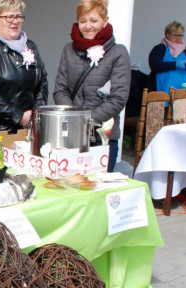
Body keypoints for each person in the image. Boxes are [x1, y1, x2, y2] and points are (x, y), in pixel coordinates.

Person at [53, 0, 129, 172]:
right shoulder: (69, 50)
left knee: (98, 191)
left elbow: (119, 97)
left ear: (105, 21)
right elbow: (60, 89)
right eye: (83, 21)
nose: (88, 26)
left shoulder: (118, 53)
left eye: (94, 21)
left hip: (103, 136)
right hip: (71, 136)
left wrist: (87, 121)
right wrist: (75, 119)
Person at [0, 0, 48, 132]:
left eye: (18, 16)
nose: (15, 21)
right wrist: (18, 116)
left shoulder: (31, 47)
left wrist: (34, 114)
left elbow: (42, 82)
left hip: (28, 127)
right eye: (9, 17)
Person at [148, 21, 186, 93]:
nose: (179, 38)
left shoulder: (185, 50)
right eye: (175, 35)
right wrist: (175, 64)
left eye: (181, 35)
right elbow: (155, 66)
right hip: (163, 90)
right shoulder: (159, 49)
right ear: (167, 34)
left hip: (183, 92)